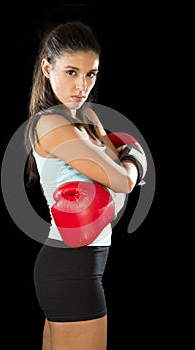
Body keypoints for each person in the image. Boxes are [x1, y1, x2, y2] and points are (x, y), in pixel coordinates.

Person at [24, 20, 146, 350]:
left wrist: (127, 163)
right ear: (48, 68)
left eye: (90, 74)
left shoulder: (89, 118)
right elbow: (122, 180)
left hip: (82, 266)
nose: (82, 85)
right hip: (70, 269)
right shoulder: (50, 124)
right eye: (72, 72)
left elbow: (118, 176)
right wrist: (135, 159)